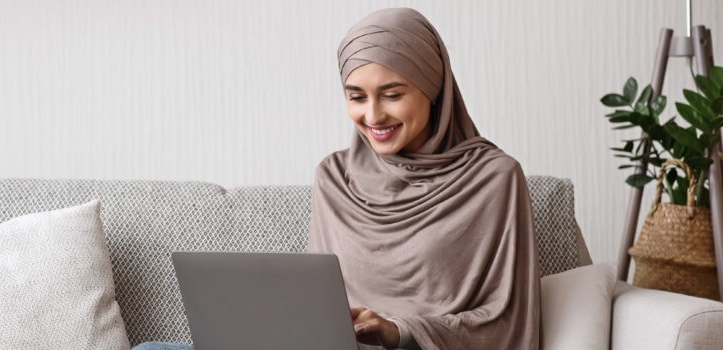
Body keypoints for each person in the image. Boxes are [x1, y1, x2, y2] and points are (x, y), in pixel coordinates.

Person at [133, 7, 540, 350]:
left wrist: (400, 331)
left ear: (432, 88)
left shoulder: (494, 179)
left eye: (393, 94)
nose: (373, 116)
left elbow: (506, 322)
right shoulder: (334, 176)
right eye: (356, 96)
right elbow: (314, 300)